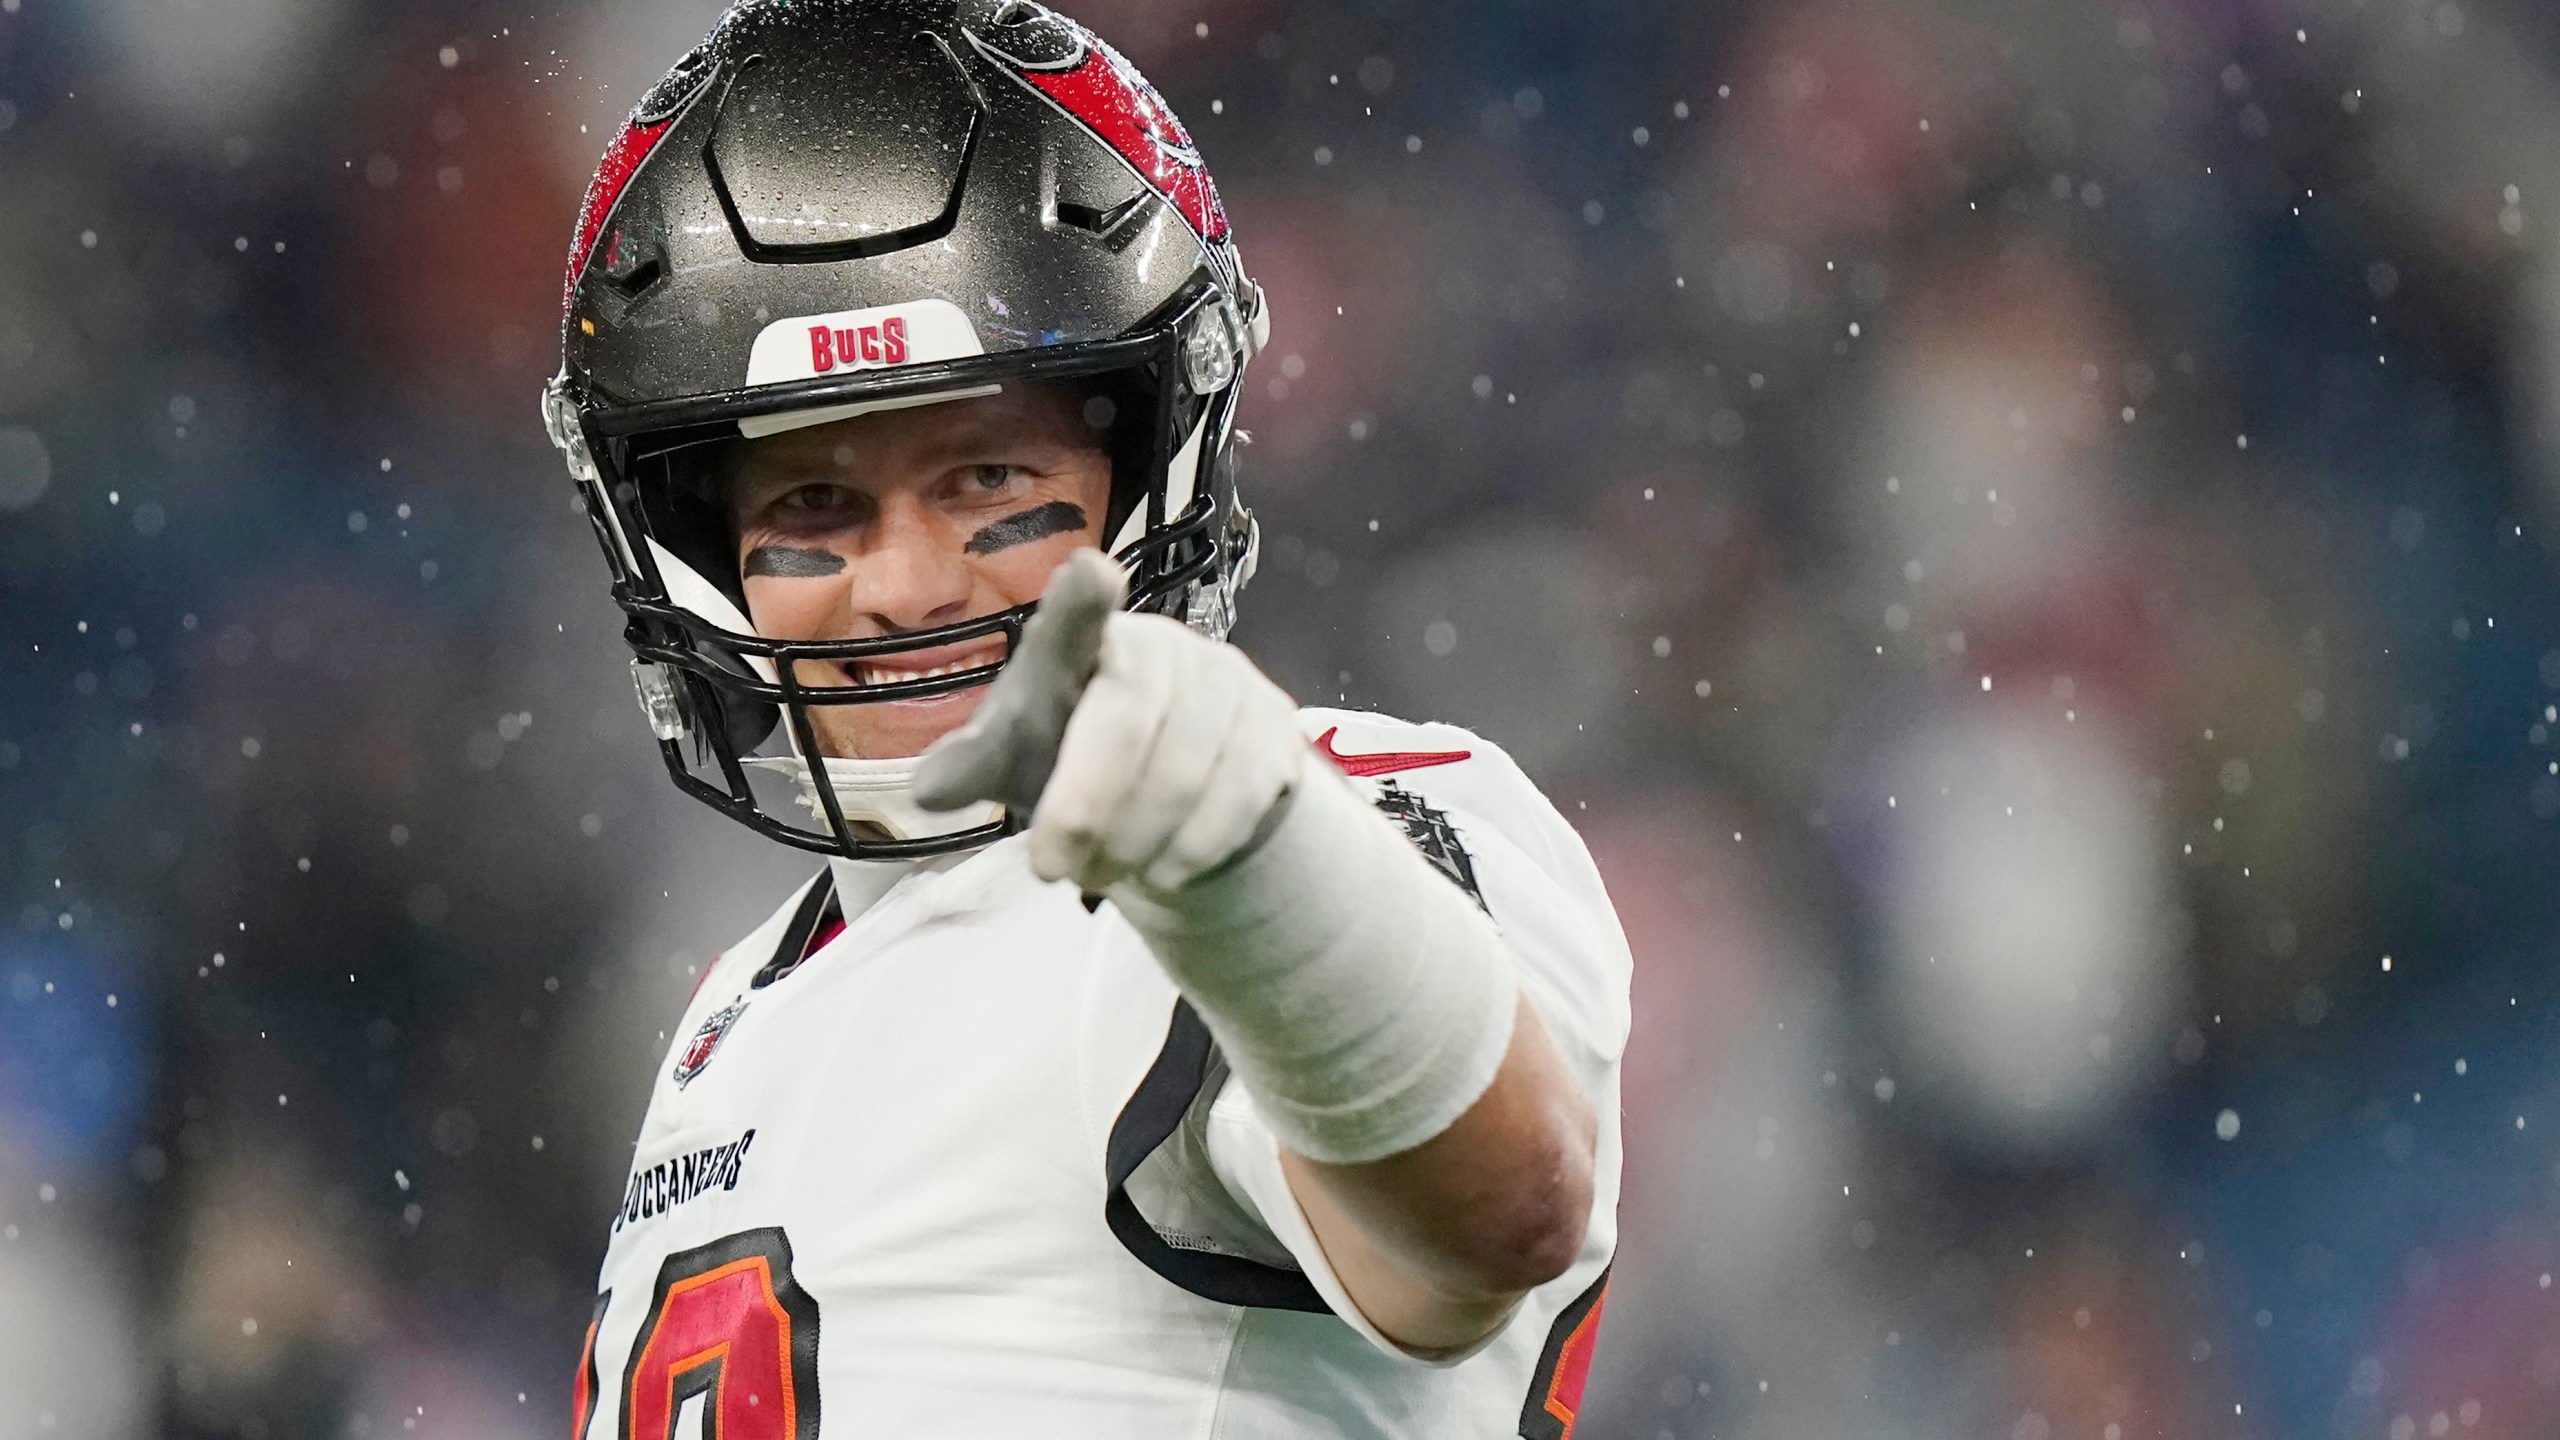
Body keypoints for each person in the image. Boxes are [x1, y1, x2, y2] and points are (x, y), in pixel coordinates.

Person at [540, 3, 1630, 1435]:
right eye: (817, 503)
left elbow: (1500, 1212)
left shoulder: (1303, 834)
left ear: (1146, 468)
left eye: (990, 479)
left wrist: (1246, 850)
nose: (907, 585)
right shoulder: (751, 993)